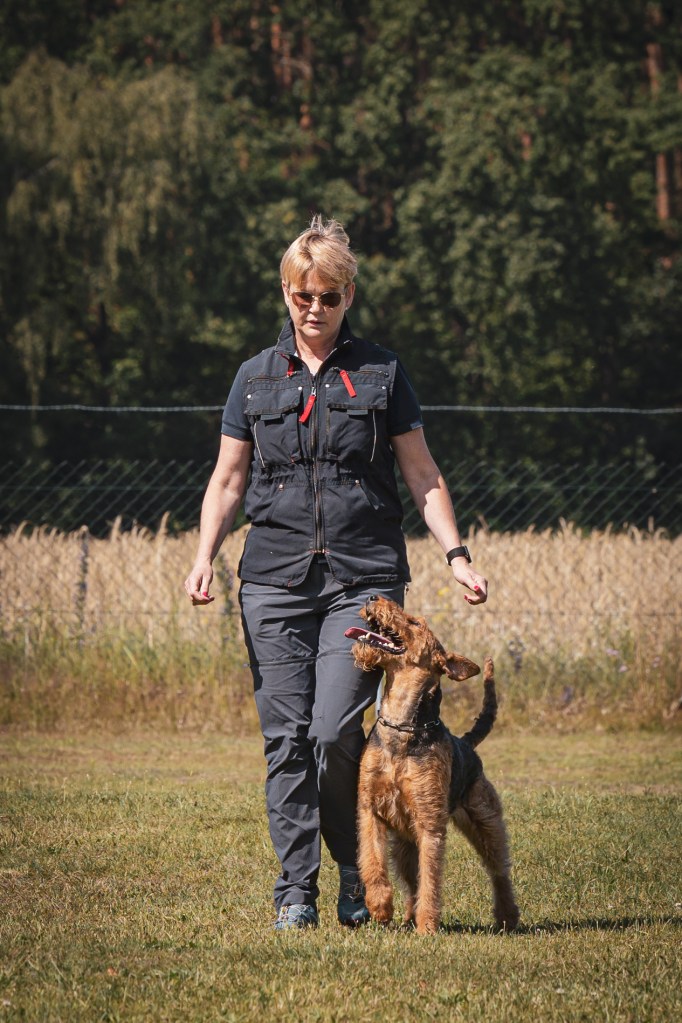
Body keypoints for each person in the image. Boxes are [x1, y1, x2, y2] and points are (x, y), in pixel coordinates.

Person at [184, 216, 487, 930]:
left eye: (328, 296)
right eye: (302, 295)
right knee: (285, 738)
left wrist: (457, 554)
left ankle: (358, 868)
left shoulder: (382, 373)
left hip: (363, 583)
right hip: (273, 582)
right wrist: (203, 557)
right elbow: (227, 480)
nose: (314, 308)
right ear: (285, 293)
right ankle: (296, 892)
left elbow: (422, 474)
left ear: (349, 295)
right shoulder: (255, 377)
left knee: (332, 731)